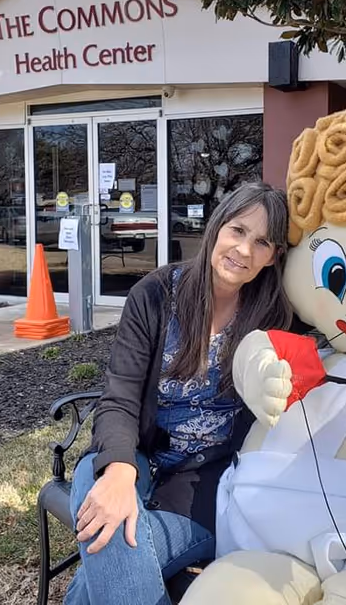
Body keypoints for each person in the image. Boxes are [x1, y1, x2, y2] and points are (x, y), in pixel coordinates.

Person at [64, 182, 294, 605]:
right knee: (99, 496)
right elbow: (119, 396)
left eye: (262, 242)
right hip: (133, 452)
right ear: (217, 226)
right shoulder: (155, 295)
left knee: (109, 547)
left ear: (274, 256)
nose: (243, 250)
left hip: (208, 484)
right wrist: (118, 472)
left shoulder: (276, 315)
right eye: (238, 230)